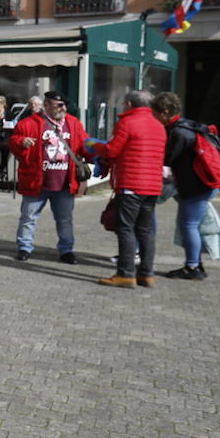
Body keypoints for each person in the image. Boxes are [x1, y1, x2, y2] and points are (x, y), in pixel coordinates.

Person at [90, 90, 167, 289]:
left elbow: (112, 150)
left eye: (124, 103)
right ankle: (146, 274)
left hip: (131, 184)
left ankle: (125, 273)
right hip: (152, 186)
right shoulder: (159, 125)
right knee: (146, 231)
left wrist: (94, 145)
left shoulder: (127, 122)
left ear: (130, 104)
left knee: (125, 229)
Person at [9, 91, 90, 264]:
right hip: (36, 181)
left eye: (64, 105)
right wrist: (21, 142)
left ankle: (66, 251)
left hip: (64, 183)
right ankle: (24, 248)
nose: (64, 108)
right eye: (59, 105)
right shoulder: (28, 123)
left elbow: (85, 145)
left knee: (65, 219)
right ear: (46, 105)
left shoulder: (73, 123)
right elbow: (14, 142)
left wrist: (99, 153)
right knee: (28, 217)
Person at [152, 92, 219, 280]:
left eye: (154, 113)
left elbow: (167, 158)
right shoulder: (189, 126)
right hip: (202, 184)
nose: (153, 117)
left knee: (189, 225)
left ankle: (192, 267)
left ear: (164, 112)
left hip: (196, 186)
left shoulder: (178, 132)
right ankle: (196, 263)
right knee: (190, 225)